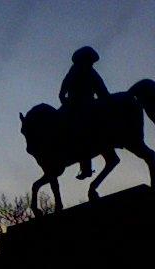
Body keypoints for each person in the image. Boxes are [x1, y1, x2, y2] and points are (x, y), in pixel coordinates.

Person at [59, 46, 110, 179]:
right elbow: (64, 87)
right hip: (73, 105)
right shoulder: (77, 70)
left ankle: (86, 167)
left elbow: (102, 91)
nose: (91, 63)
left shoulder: (90, 72)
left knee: (83, 131)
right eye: (90, 60)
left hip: (85, 105)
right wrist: (64, 98)